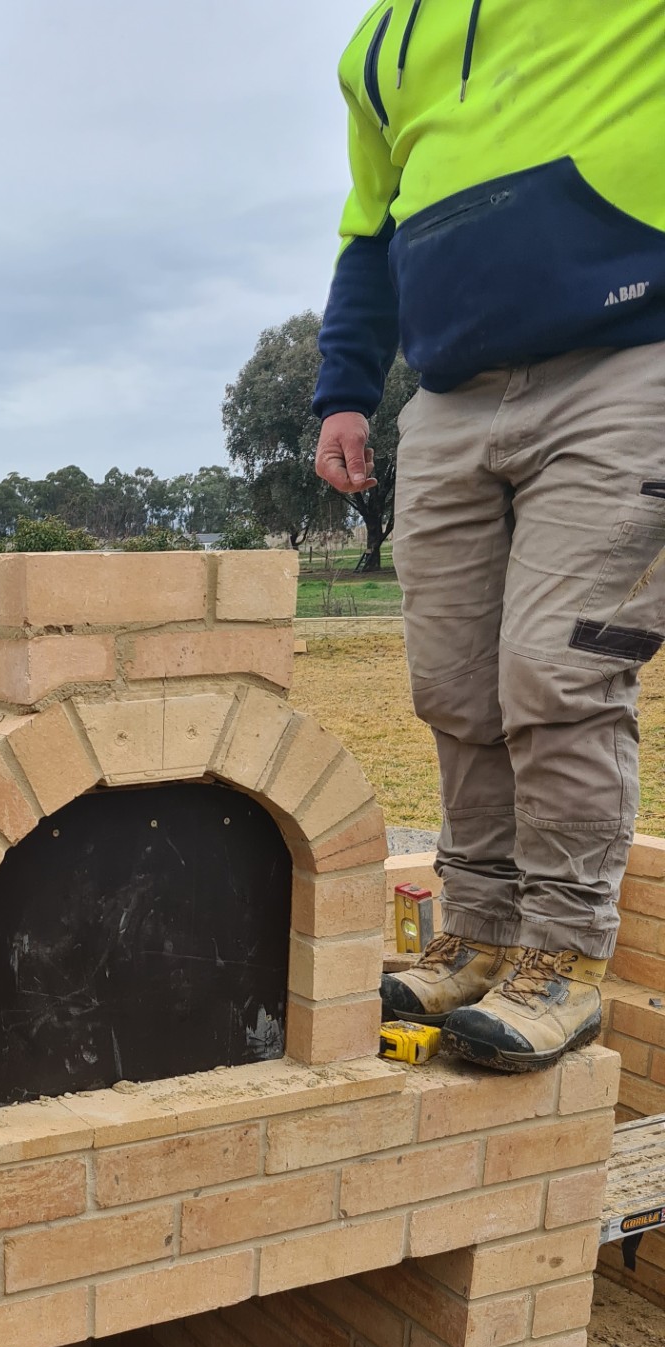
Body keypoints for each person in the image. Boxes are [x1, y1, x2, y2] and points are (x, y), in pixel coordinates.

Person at [314, 1, 665, 1072]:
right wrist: (343, 389)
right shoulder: (376, 47)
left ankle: (559, 958)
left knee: (557, 675)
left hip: (627, 364)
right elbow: (370, 231)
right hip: (454, 394)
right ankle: (477, 934)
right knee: (455, 686)